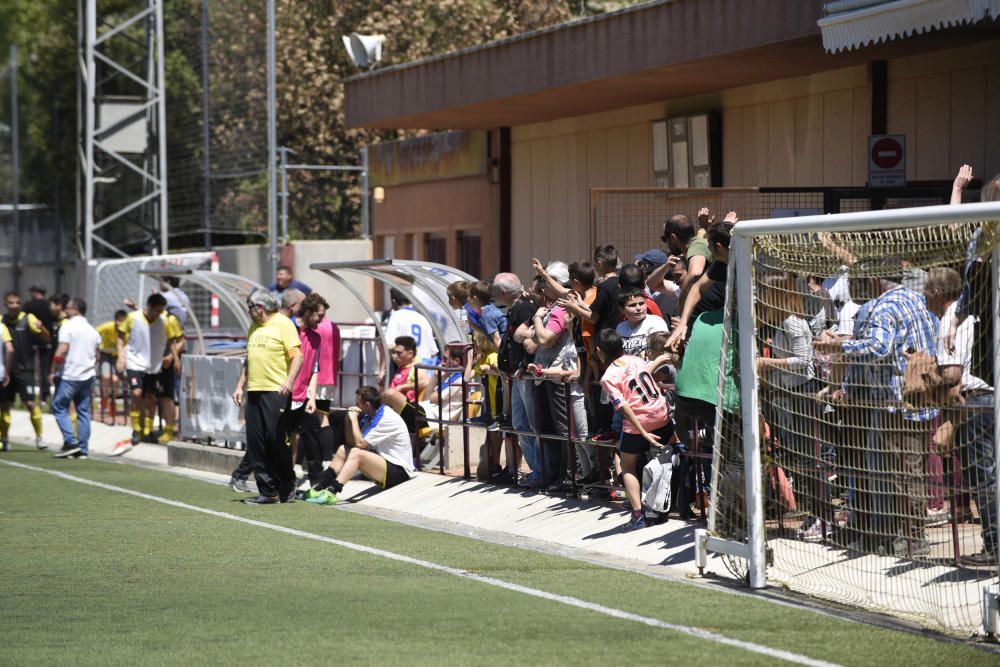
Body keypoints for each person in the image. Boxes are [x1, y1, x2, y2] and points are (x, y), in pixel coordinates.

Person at [814, 269, 939, 557]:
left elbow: (877, 347)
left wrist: (839, 345)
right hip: (923, 396)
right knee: (913, 470)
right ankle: (908, 537)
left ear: (874, 279)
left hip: (896, 401)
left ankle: (910, 540)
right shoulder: (918, 300)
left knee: (900, 474)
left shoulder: (884, 306)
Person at [924, 267, 996, 566]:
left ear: (937, 294)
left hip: (974, 404)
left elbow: (952, 374)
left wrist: (928, 371)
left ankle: (995, 547)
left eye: (926, 290)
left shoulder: (949, 320)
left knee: (983, 480)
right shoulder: (974, 311)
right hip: (988, 400)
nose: (923, 296)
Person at [597, 329, 677, 531]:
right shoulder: (636, 360)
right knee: (676, 450)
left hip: (641, 420)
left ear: (600, 351)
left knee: (627, 464)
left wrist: (642, 431)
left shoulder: (608, 376)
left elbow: (623, 406)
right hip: (662, 412)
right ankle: (676, 503)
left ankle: (637, 514)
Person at [231, 289, 303, 504]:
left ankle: (287, 481)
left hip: (275, 391)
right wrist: (239, 386)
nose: (249, 312)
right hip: (254, 390)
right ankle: (268, 491)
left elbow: (297, 355)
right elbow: (249, 359)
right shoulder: (254, 327)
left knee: (275, 438)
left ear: (260, 308)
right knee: (255, 442)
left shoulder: (283, 324)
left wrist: (289, 381)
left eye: (250, 308)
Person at [303, 386, 416, 505]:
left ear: (367, 405)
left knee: (357, 454)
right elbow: (352, 443)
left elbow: (360, 444)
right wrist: (348, 420)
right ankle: (318, 489)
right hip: (385, 464)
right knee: (343, 449)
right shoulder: (370, 416)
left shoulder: (385, 418)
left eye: (358, 403)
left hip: (399, 471)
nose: (355, 405)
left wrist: (354, 420)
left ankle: (332, 492)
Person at [113, 293, 180, 455]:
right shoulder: (133, 317)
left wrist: (175, 358)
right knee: (136, 392)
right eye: (156, 310)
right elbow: (121, 335)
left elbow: (172, 340)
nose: (159, 314)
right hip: (134, 362)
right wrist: (121, 356)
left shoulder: (165, 321)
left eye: (161, 311)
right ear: (149, 307)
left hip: (153, 365)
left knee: (151, 398)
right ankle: (136, 428)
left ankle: (148, 430)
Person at [290, 292, 342, 488]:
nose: (319, 319)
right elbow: (338, 357)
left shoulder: (312, 330)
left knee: (307, 426)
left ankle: (303, 467)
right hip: (326, 376)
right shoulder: (333, 327)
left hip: (312, 378)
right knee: (319, 419)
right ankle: (323, 462)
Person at [50, 298, 101, 460]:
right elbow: (97, 355)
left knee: (59, 406)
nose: (65, 310)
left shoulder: (68, 326)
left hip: (70, 373)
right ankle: (83, 449)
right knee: (83, 411)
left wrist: (53, 370)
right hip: (88, 374)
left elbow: (61, 351)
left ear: (75, 310)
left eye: (68, 307)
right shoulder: (93, 330)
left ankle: (71, 443)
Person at [1, 291, 52, 450]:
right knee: (4, 406)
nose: (14, 306)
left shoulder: (28, 319)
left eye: (17, 302)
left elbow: (47, 339)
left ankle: (39, 437)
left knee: (30, 403)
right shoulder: (2, 321)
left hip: (26, 369)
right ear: (5, 304)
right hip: (6, 371)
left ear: (20, 303)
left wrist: (41, 328)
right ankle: (5, 439)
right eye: (11, 303)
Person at [383, 288, 437, 366]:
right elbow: (433, 350)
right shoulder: (422, 318)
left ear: (393, 301)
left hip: (408, 367)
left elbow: (389, 344)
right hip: (424, 366)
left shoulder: (396, 316)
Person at [23, 285, 55, 402]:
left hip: (30, 341)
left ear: (35, 292)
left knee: (30, 368)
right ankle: (44, 397)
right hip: (46, 341)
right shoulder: (48, 305)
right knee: (45, 370)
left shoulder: (28, 305)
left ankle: (29, 394)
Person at [615, 290, 669, 358]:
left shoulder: (656, 322)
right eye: (632, 305)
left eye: (641, 303)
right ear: (622, 310)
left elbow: (663, 354)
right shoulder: (620, 328)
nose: (638, 308)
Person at [96, 310, 128, 421]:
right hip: (105, 354)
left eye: (123, 321)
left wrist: (123, 357)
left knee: (115, 379)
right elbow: (95, 332)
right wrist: (97, 348)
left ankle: (112, 401)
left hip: (118, 357)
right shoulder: (107, 326)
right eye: (119, 321)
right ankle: (104, 397)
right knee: (105, 376)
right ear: (115, 321)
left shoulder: (126, 330)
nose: (120, 324)